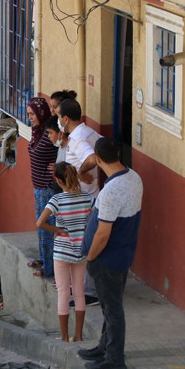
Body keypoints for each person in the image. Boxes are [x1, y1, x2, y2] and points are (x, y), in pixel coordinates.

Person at [77, 137, 143, 369]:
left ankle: (114, 359)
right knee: (108, 306)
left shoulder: (111, 192)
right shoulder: (133, 177)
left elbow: (103, 234)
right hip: (122, 254)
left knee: (112, 310)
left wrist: (91, 257)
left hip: (107, 259)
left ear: (98, 159)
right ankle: (104, 347)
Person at [36, 162, 92, 342]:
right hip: (80, 250)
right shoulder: (87, 198)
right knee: (79, 292)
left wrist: (58, 230)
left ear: (57, 180)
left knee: (63, 293)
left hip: (62, 251)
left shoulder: (57, 200)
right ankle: (79, 335)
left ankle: (64, 336)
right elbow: (92, 221)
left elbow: (40, 223)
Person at [58, 97, 102, 305]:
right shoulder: (90, 132)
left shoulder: (77, 139)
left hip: (83, 202)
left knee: (84, 246)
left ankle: (89, 292)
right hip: (90, 197)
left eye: (58, 117)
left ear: (65, 119)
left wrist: (81, 172)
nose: (58, 121)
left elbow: (92, 158)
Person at [26, 97, 58, 278]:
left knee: (47, 226)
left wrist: (60, 164)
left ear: (41, 113)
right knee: (40, 226)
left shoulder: (50, 132)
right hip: (37, 186)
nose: (30, 117)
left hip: (47, 186)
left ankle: (51, 267)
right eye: (29, 114)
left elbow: (64, 148)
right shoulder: (37, 131)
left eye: (33, 114)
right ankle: (44, 259)